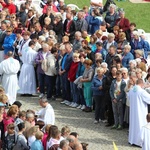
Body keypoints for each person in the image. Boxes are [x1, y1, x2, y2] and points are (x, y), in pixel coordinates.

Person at [128, 79, 150, 146]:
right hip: (141, 112)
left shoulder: (131, 90)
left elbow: (128, 97)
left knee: (133, 125)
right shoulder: (142, 91)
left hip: (133, 111)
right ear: (142, 84)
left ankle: (132, 139)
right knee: (140, 124)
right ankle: (139, 142)